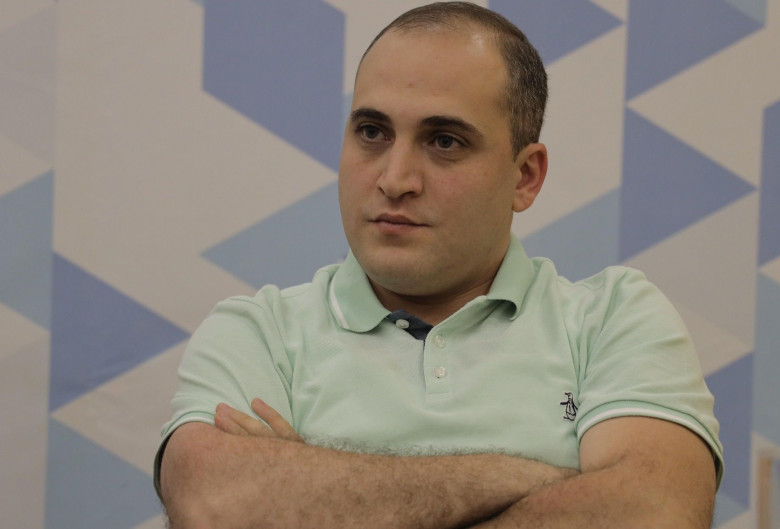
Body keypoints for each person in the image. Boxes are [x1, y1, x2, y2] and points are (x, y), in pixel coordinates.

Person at [155, 3, 723, 528]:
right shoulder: (258, 333)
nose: (394, 179)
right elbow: (215, 503)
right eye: (372, 132)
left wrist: (312, 486)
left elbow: (653, 512)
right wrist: (533, 479)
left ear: (525, 177)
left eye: (445, 141)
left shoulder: (613, 320)